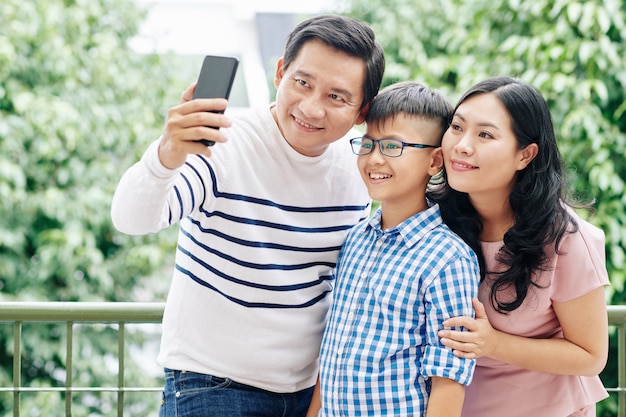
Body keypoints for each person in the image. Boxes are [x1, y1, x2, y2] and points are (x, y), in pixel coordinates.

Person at [110, 14, 385, 417]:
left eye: (336, 97)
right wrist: (165, 154)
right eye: (303, 83)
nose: (311, 108)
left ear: (362, 111)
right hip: (213, 385)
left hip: (313, 392)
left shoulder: (360, 169)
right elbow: (132, 220)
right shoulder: (224, 142)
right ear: (279, 72)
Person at [431, 76, 610, 416]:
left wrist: (493, 344)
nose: (462, 145)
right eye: (457, 127)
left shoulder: (565, 237)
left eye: (485, 134)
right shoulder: (432, 218)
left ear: (525, 155)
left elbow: (591, 356)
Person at [307, 81, 480, 417]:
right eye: (368, 144)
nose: (374, 159)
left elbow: (449, 377)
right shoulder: (356, 239)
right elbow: (330, 355)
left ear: (434, 162)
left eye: (392, 146)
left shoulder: (448, 258)